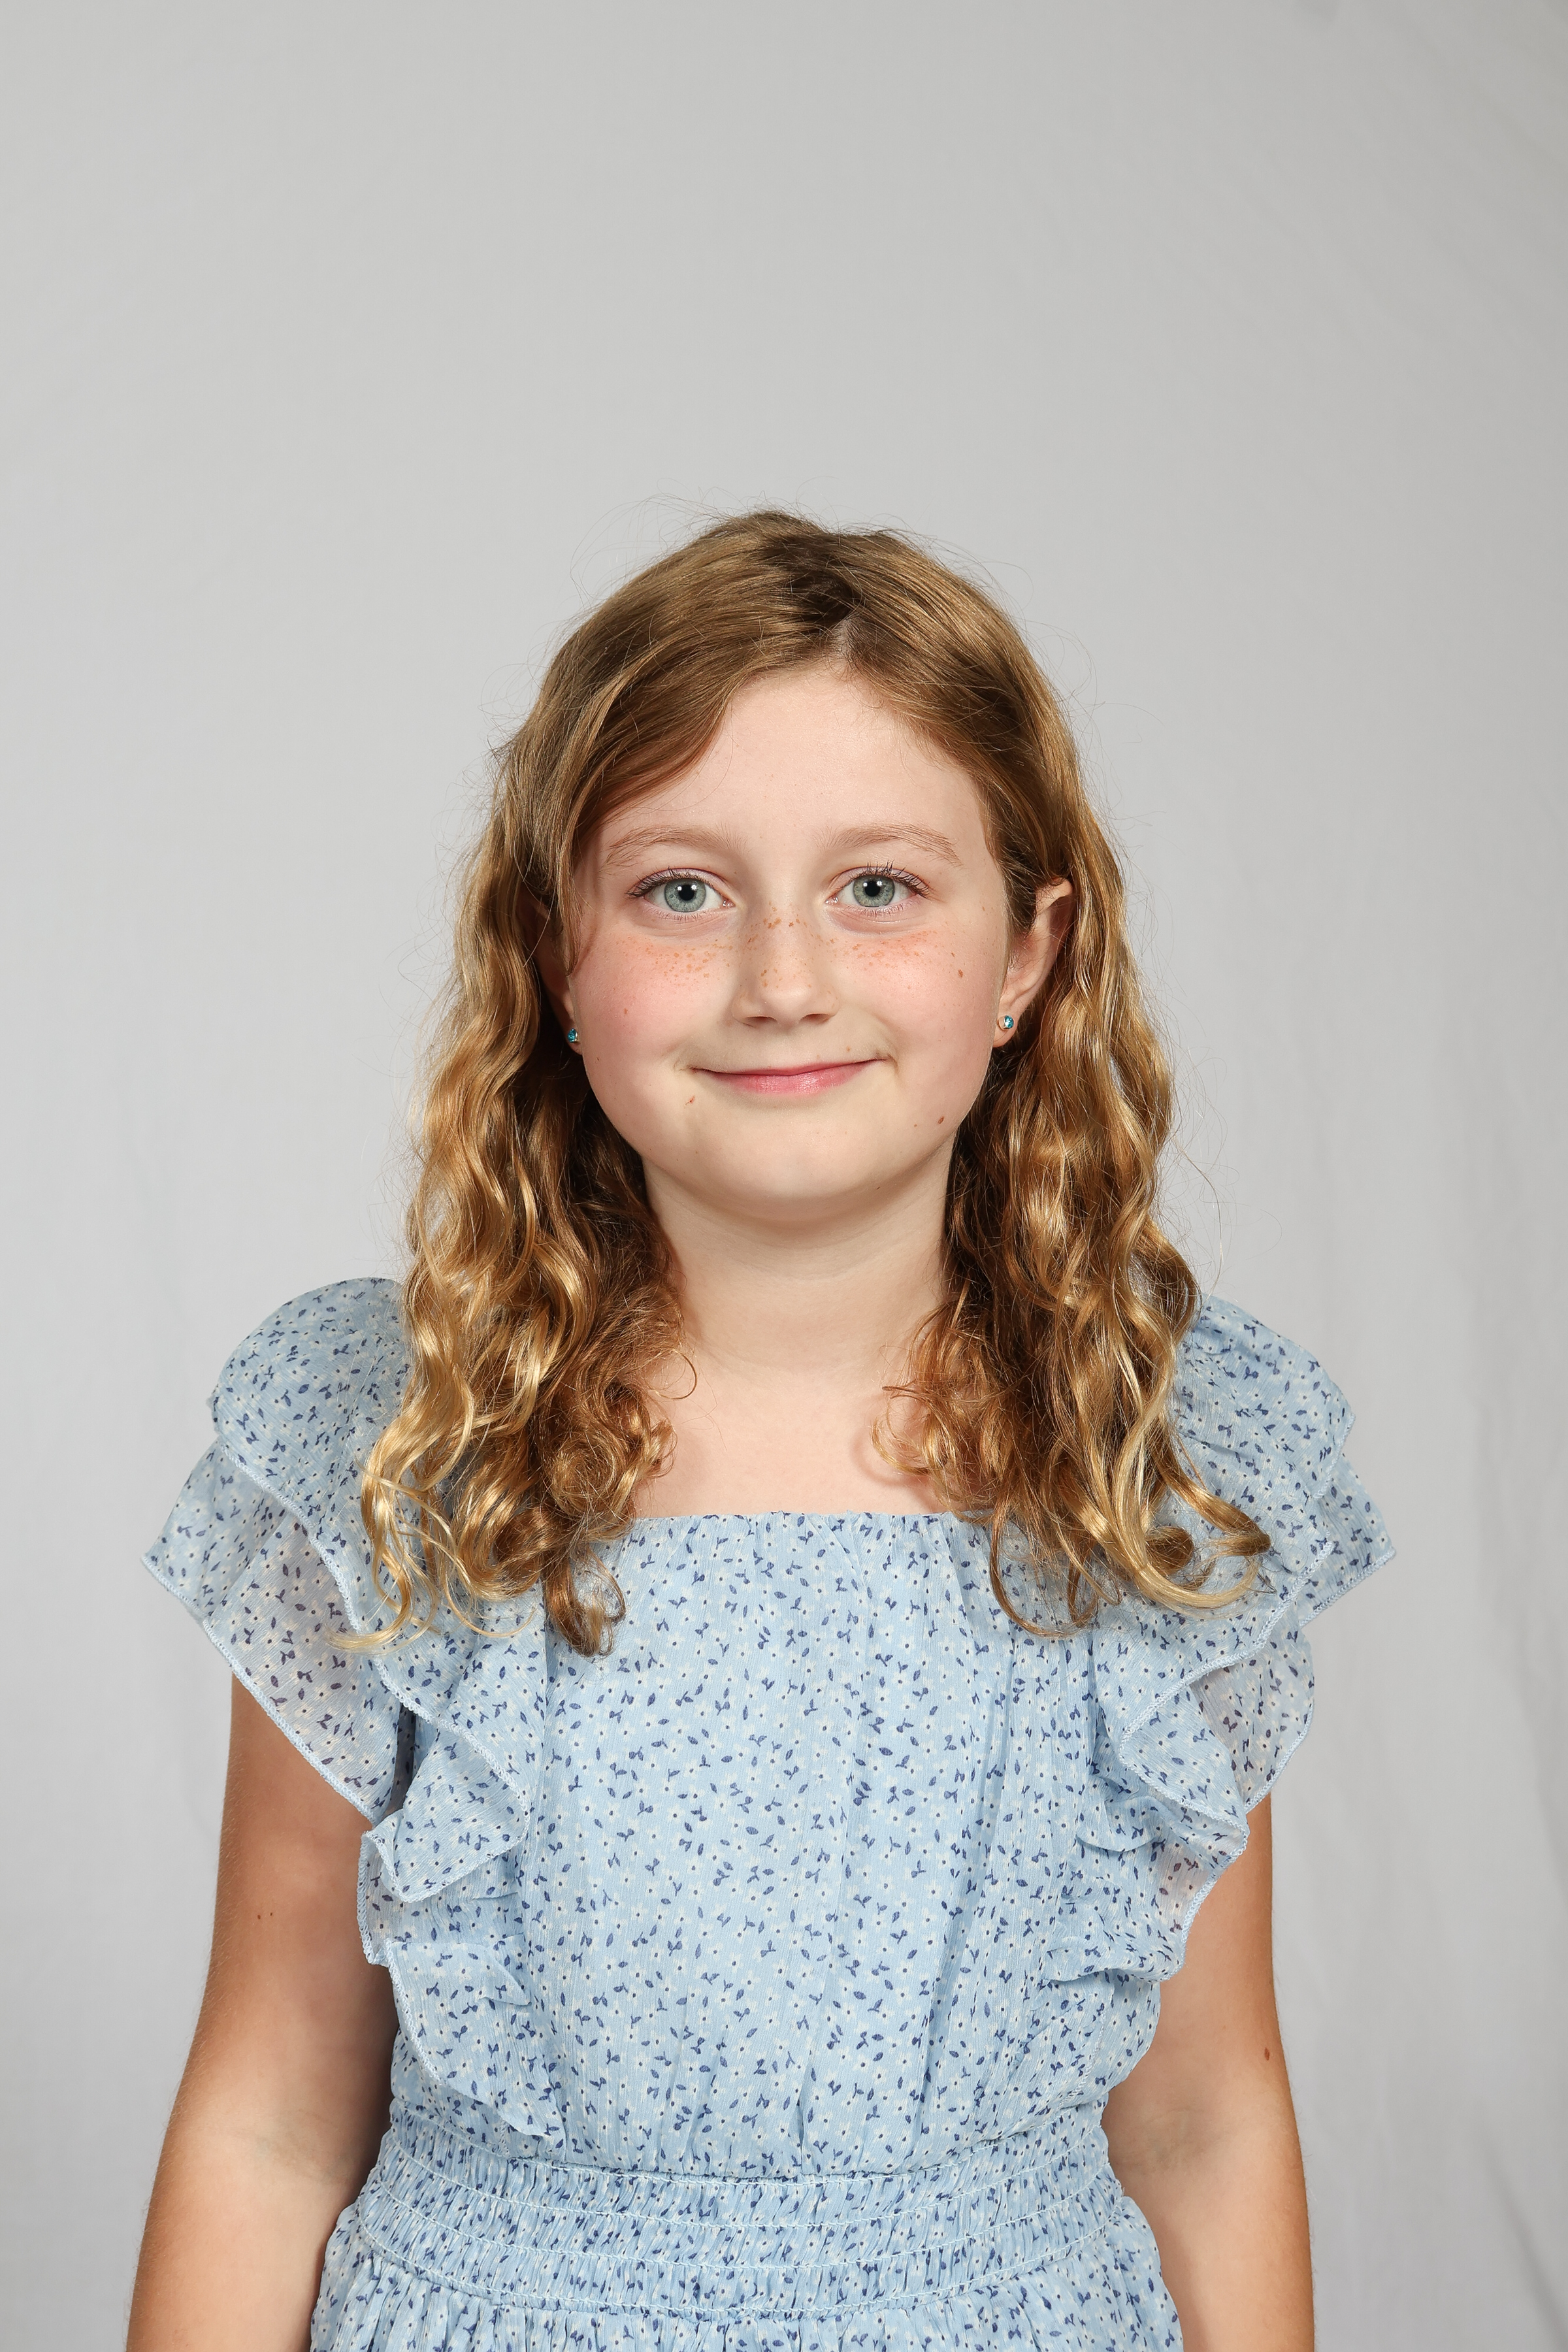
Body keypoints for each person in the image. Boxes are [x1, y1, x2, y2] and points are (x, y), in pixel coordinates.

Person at [128, 512, 1390, 2352]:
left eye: (878, 886)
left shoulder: (1162, 1457)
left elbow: (1206, 2120)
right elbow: (268, 2116)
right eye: (681, 892)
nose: (783, 977)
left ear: (1029, 954)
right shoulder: (396, 1451)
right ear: (555, 952)